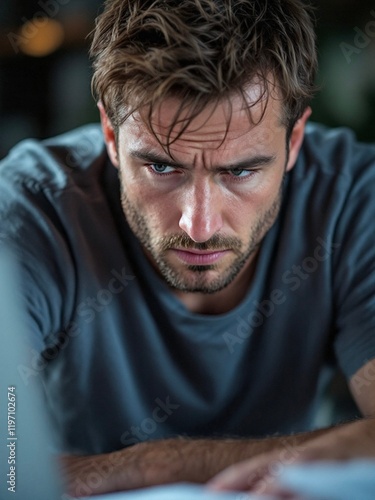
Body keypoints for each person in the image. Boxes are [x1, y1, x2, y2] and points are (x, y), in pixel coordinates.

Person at [1, 0, 375, 496]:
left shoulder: (354, 199)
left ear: (295, 140)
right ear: (111, 136)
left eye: (240, 171)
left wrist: (147, 467)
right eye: (162, 167)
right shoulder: (31, 209)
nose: (197, 226)